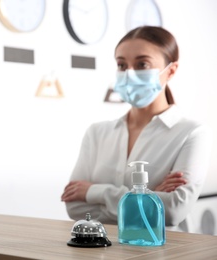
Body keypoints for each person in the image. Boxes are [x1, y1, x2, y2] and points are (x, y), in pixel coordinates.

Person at [61, 26, 213, 231]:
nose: (129, 74)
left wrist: (93, 192)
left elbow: (172, 212)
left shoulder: (192, 133)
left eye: (142, 64)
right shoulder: (96, 133)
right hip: (99, 250)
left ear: (171, 70)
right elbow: (75, 207)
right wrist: (148, 197)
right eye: (122, 65)